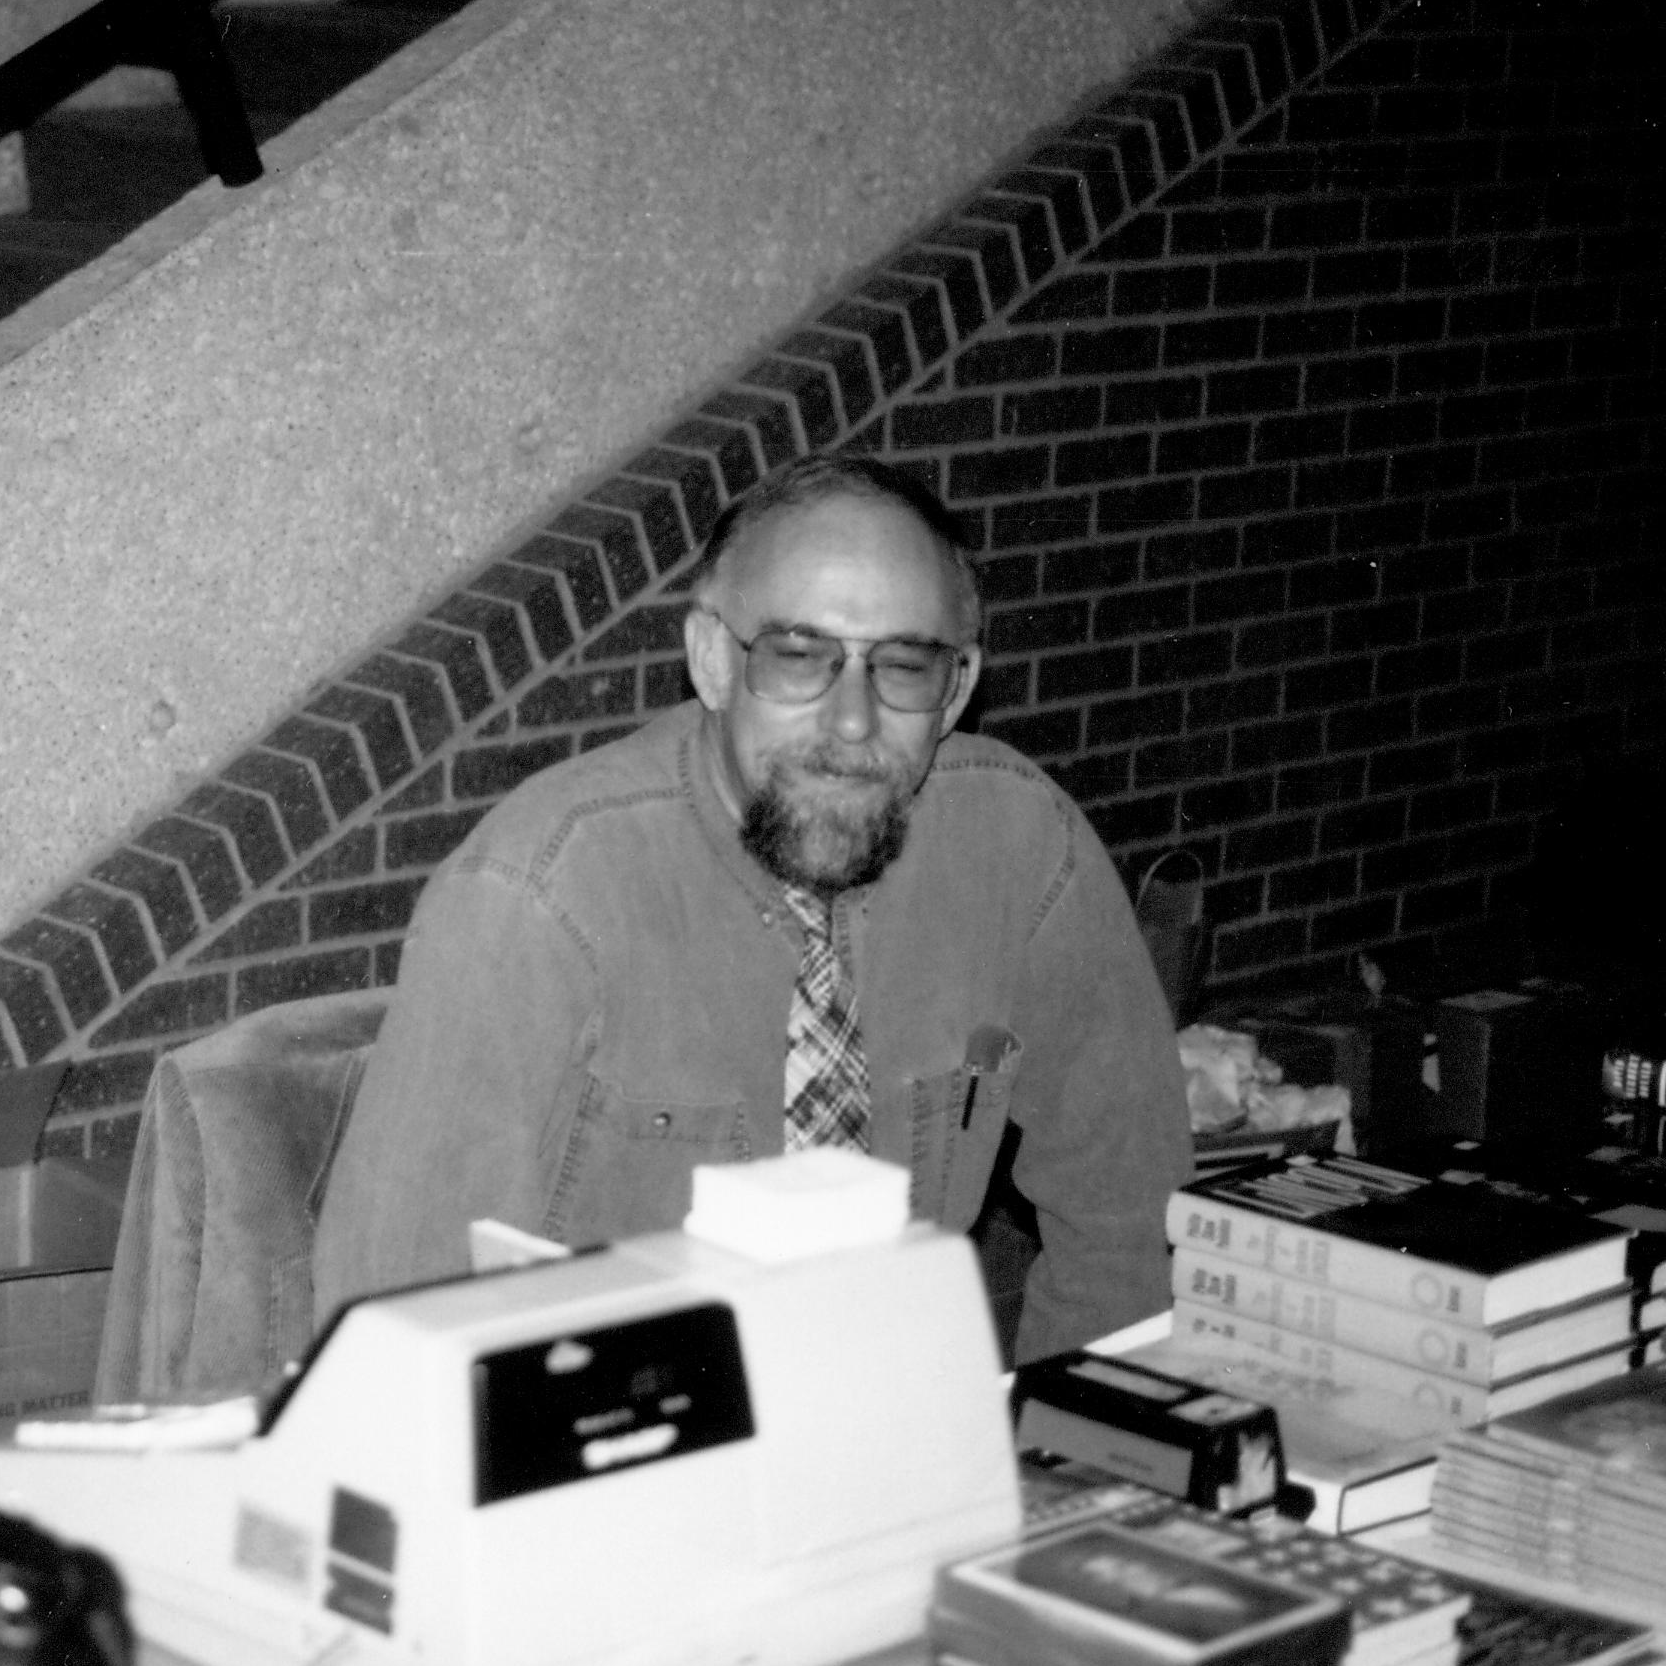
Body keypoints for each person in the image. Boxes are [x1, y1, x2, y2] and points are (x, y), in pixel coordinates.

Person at [311, 453, 1189, 1363]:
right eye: (799, 658)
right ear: (711, 660)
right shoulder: (539, 898)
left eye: (903, 667)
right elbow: (394, 1335)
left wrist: (1076, 1453)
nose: (851, 722)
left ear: (958, 689)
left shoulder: (1021, 849)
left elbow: (1131, 1214)